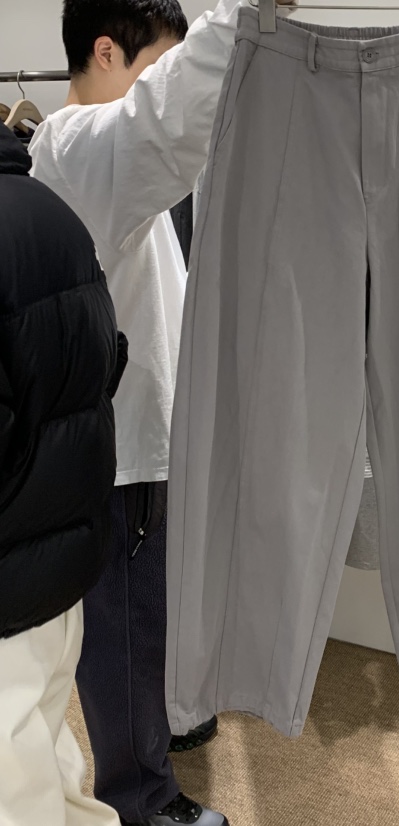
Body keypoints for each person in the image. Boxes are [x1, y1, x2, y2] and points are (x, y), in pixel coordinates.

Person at [29, 0, 296, 823]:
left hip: (132, 439)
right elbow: (166, 119)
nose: (161, 84)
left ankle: (157, 747)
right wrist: (249, 13)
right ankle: (143, 802)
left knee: (143, 621)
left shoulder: (88, 160)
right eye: (154, 65)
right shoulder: (76, 148)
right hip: (122, 452)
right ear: (106, 51)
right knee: (127, 627)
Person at [0, 120, 127, 826]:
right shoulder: (55, 213)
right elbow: (106, 364)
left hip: (10, 578)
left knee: (15, 796)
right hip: (59, 567)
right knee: (48, 760)